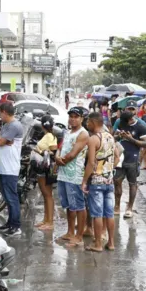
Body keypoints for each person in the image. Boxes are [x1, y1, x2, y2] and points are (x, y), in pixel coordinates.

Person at [82, 112, 120, 251]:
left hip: (96, 182)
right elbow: (117, 156)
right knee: (109, 214)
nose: (87, 124)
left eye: (88, 122)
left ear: (93, 122)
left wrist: (84, 181)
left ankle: (98, 244)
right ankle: (111, 243)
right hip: (109, 181)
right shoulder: (110, 136)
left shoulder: (93, 139)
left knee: (97, 214)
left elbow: (91, 163)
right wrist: (108, 170)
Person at [55, 107, 89, 247]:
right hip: (63, 174)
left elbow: (72, 154)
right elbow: (60, 148)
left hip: (75, 175)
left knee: (79, 206)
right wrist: (57, 157)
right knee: (69, 206)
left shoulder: (83, 134)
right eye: (71, 116)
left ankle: (79, 235)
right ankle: (70, 232)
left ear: (81, 118)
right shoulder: (68, 132)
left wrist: (60, 160)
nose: (73, 119)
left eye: (76, 116)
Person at [0, 103, 24, 237]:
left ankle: (16, 226)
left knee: (11, 197)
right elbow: (1, 140)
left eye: (0, 113)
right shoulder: (6, 125)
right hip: (3, 166)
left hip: (10, 167)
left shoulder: (14, 126)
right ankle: (10, 223)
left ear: (5, 112)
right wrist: (1, 140)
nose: (0, 116)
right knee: (7, 197)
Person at [113, 107, 146, 219]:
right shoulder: (121, 123)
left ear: (130, 119)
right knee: (117, 181)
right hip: (120, 159)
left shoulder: (141, 127)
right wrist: (119, 136)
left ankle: (129, 208)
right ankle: (117, 206)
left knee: (132, 183)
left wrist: (131, 139)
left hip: (133, 159)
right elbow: (113, 137)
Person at [33, 114, 58, 231]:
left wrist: (40, 151)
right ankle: (46, 219)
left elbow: (53, 153)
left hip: (46, 169)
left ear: (42, 125)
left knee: (48, 195)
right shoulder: (48, 136)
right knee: (45, 194)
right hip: (42, 168)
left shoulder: (50, 137)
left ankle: (50, 221)